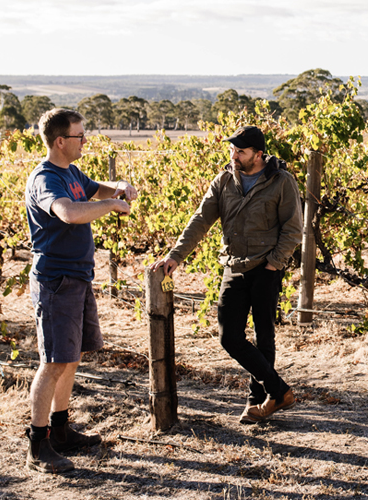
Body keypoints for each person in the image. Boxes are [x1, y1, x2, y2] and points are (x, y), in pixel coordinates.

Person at [152, 125, 302, 424]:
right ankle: (279, 390)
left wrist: (275, 262)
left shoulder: (281, 181)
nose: (234, 156)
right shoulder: (223, 181)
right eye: (232, 150)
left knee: (264, 336)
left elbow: (293, 228)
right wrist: (176, 255)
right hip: (233, 266)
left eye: (241, 151)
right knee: (229, 337)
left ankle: (258, 400)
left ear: (258, 155)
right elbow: (200, 220)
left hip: (265, 269)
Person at [24, 109, 137, 473]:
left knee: (70, 358)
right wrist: (111, 205)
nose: (85, 140)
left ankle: (60, 431)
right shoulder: (45, 179)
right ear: (60, 141)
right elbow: (69, 212)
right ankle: (37, 446)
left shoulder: (71, 172)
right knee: (53, 361)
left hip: (77, 277)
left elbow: (92, 189)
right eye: (80, 135)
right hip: (56, 281)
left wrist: (116, 188)